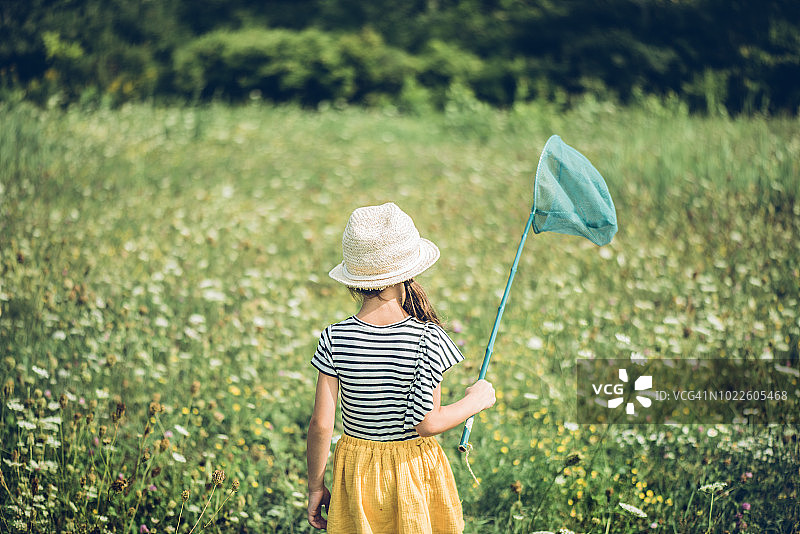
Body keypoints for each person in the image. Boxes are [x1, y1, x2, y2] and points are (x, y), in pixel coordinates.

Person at [306, 202, 496, 533]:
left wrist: (315, 487)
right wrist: (475, 401)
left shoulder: (334, 337)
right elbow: (428, 422)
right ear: (408, 272)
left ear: (354, 279)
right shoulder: (428, 338)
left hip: (358, 473)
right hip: (412, 471)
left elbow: (322, 425)